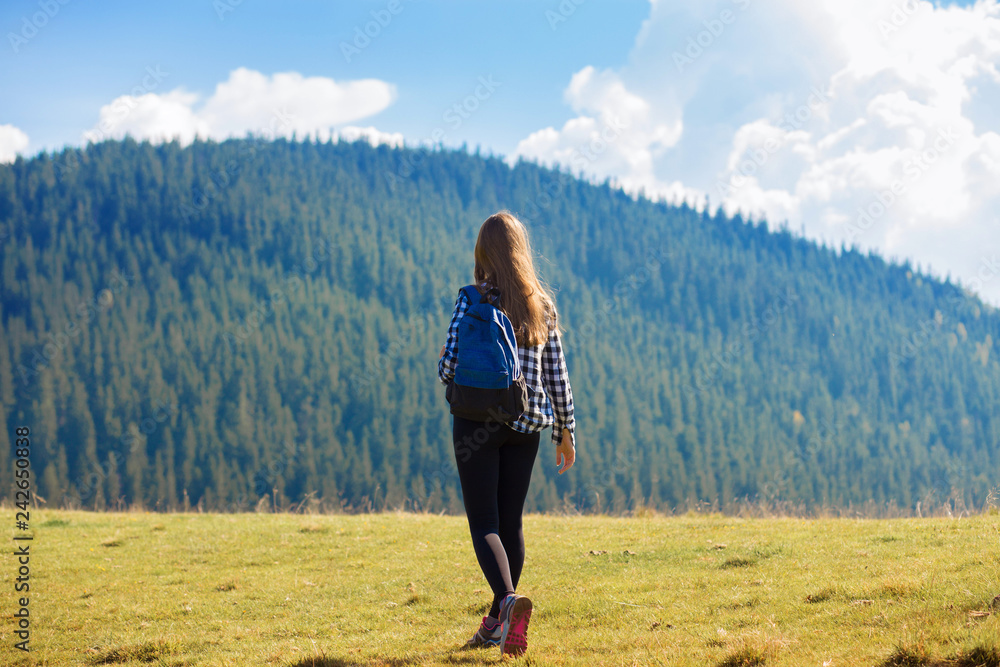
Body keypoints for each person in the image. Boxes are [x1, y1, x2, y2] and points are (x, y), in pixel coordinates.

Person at [438, 210, 577, 657]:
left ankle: (508, 602)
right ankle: (499, 623)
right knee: (510, 522)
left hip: (478, 422)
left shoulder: (474, 300)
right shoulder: (541, 303)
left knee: (485, 523)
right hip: (528, 425)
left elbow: (449, 368)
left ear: (484, 253)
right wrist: (566, 429)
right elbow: (558, 372)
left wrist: (443, 357)